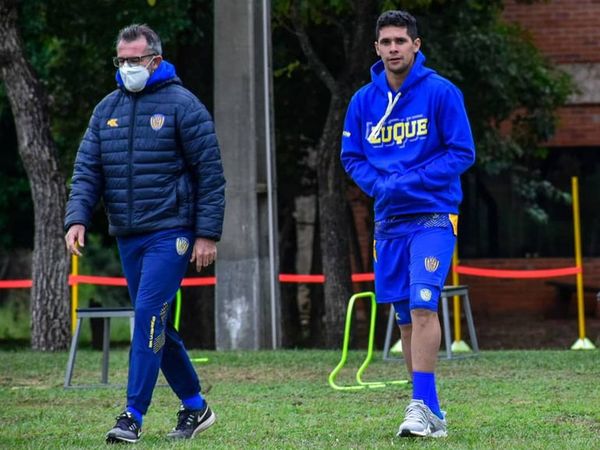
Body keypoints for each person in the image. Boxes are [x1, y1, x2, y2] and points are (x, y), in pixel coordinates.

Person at [64, 24, 225, 444]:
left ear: (155, 59)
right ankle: (196, 407)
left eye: (135, 59)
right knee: (157, 326)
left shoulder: (183, 105)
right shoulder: (106, 110)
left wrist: (207, 234)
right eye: (122, 59)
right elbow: (87, 171)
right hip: (127, 234)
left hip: (171, 231)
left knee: (147, 317)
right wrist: (76, 218)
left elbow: (210, 173)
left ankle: (132, 414)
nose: (128, 67)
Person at [341, 10, 475, 438]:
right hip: (389, 221)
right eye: (386, 42)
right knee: (402, 315)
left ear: (417, 45)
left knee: (422, 303)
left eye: (401, 40)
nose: (394, 48)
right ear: (376, 48)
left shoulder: (441, 92)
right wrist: (381, 186)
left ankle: (420, 405)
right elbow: (351, 157)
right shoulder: (363, 100)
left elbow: (461, 152)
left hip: (433, 215)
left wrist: (409, 181)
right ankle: (428, 408)